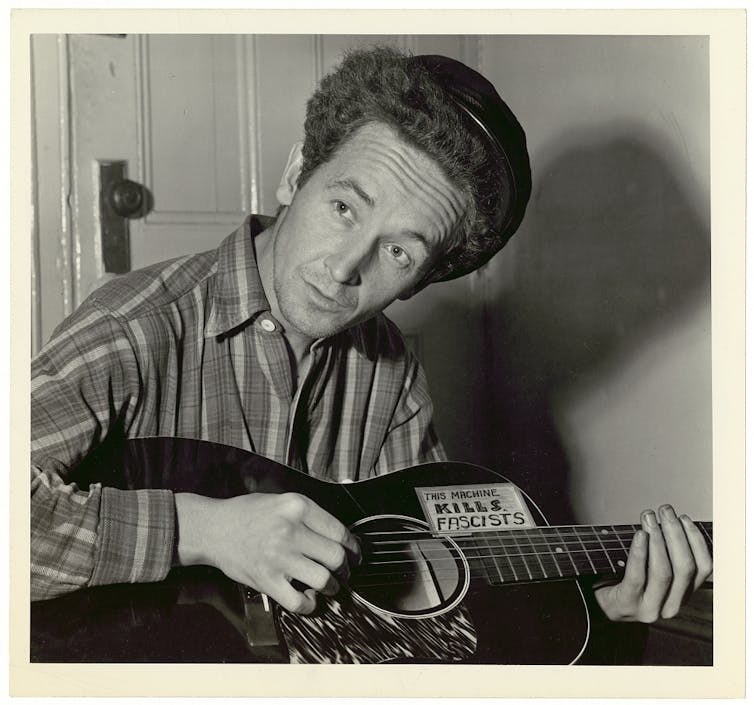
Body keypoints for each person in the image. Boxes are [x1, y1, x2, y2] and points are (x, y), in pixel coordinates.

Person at [31, 47, 711, 626]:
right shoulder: (135, 327)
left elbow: (425, 570)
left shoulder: (390, 370)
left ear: (420, 281)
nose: (345, 264)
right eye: (343, 207)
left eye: (399, 253)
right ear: (296, 174)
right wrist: (202, 530)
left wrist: (596, 605)